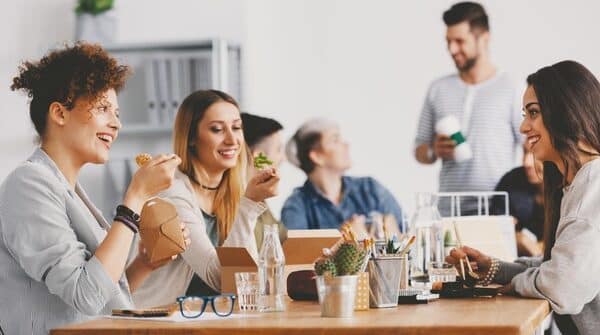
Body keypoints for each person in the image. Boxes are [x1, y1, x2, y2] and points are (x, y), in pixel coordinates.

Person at [0, 42, 185, 335]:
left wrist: (144, 264)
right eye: (103, 108)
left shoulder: (70, 190)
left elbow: (101, 296)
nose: (116, 124)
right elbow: (85, 295)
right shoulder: (28, 185)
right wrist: (135, 198)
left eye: (117, 113)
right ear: (60, 114)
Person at [446, 60, 600, 335]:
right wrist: (494, 268)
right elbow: (554, 268)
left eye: (533, 113)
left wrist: (512, 283)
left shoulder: (594, 185)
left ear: (565, 112)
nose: (523, 127)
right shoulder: (579, 184)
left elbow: (562, 287)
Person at [132, 90, 280, 307]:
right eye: (217, 129)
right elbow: (220, 277)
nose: (232, 140)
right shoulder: (171, 193)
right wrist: (250, 204)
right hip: (158, 320)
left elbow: (247, 275)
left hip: (210, 316)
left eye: (236, 128)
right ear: (191, 138)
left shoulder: (233, 190)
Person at [414, 2, 522, 214]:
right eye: (448, 42)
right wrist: (433, 150)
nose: (452, 49)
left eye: (460, 41)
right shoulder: (438, 89)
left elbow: (532, 149)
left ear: (484, 39)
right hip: (448, 210)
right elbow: (419, 150)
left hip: (496, 210)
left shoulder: (513, 89)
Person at [281, 118, 404, 233]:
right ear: (317, 156)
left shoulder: (370, 188)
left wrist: (392, 233)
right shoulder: (296, 206)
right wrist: (345, 240)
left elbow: (405, 235)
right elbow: (294, 254)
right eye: (335, 140)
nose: (346, 144)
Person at [240, 112, 288, 248]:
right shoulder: (237, 203)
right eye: (278, 150)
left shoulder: (260, 200)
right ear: (259, 157)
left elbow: (284, 240)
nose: (283, 158)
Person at [492, 144, 544, 256]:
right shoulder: (511, 180)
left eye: (535, 153)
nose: (526, 162)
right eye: (525, 152)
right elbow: (496, 230)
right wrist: (519, 239)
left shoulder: (573, 186)